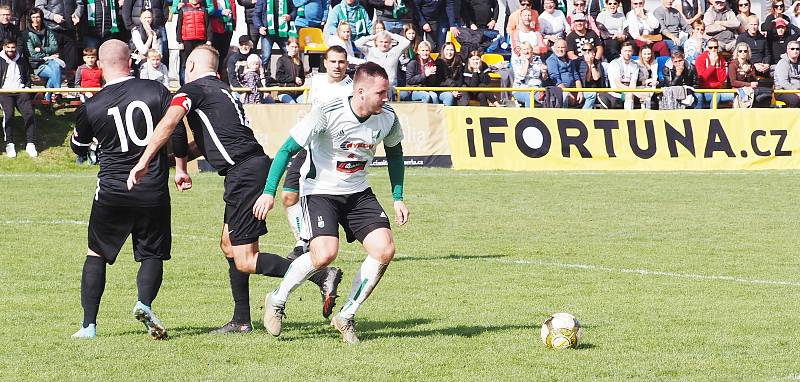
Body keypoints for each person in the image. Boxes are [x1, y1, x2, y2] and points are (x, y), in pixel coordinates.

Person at [128, 45, 343, 334]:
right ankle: (241, 319)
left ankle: (319, 274)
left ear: (190, 65)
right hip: (245, 170)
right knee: (229, 246)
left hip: (245, 174)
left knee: (245, 259)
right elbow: (211, 143)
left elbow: (169, 122)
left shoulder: (193, 90)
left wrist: (144, 160)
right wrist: (171, 162)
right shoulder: (221, 91)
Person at [255, 61, 409, 344]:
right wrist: (268, 191)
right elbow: (286, 149)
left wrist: (398, 197)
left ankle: (347, 315)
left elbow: (396, 154)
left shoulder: (387, 116)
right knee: (325, 255)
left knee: (385, 249)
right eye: (381, 93)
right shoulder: (327, 112)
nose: (386, 98)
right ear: (360, 91)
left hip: (358, 192)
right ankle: (277, 299)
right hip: (319, 192)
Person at [69, 40, 173, 339]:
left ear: (100, 65)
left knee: (96, 253)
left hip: (113, 189)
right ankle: (144, 303)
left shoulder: (92, 105)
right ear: (131, 60)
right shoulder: (156, 91)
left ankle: (89, 325)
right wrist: (179, 168)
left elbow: (78, 146)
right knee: (152, 254)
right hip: (151, 186)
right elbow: (175, 131)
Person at [282, 45, 353, 259]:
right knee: (287, 196)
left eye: (341, 62)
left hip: (331, 152)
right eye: (333, 61)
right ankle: (302, 240)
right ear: (325, 62)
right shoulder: (317, 81)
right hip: (309, 145)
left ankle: (305, 242)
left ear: (347, 64)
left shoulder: (350, 89)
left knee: (324, 197)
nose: (337, 66)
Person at [0, 39, 37, 158]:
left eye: (13, 47)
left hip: (21, 91)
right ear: (4, 47)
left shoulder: (21, 60)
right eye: (8, 47)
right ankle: (9, 143)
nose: (11, 50)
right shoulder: (0, 60)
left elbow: (27, 77)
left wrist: (27, 87)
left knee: (29, 114)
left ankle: (30, 143)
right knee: (9, 114)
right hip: (4, 92)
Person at [354, 29, 410, 97]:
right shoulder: (370, 51)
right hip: (373, 87)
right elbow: (357, 43)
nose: (383, 44)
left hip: (389, 88)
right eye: (381, 42)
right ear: (376, 42)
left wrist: (391, 35)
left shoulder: (395, 51)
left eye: (386, 42)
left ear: (390, 43)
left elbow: (406, 42)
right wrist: (374, 36)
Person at [26, 7, 63, 104]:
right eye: (33, 17)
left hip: (50, 60)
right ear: (30, 19)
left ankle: (54, 94)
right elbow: (33, 53)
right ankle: (53, 94)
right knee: (54, 74)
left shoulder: (48, 31)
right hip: (37, 64)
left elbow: (55, 47)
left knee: (56, 65)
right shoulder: (27, 34)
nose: (36, 20)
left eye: (38, 17)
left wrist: (42, 49)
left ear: (41, 18)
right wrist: (47, 55)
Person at [35, 0, 82, 70]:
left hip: (69, 28)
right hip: (51, 28)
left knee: (71, 60)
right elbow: (39, 8)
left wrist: (77, 14)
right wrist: (53, 16)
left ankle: (70, 79)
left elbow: (79, 4)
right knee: (53, 59)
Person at [120, 0, 169, 66]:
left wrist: (160, 23)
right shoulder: (136, 31)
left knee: (161, 53)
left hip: (157, 26)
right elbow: (126, 9)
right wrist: (130, 25)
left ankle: (161, 73)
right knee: (141, 53)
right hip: (137, 27)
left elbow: (165, 8)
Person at [253, 0, 296, 74]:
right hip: (268, 33)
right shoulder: (263, 1)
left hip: (283, 32)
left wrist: (290, 16)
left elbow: (294, 10)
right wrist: (260, 27)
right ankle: (262, 75)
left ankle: (290, 75)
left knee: (289, 53)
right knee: (266, 56)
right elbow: (256, 15)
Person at [601, 40, 647, 109]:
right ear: (621, 51)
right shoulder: (615, 63)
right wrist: (636, 93)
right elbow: (618, 85)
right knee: (629, 94)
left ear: (632, 52)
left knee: (646, 93)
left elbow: (633, 84)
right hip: (616, 93)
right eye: (625, 51)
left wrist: (637, 93)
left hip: (629, 90)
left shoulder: (635, 65)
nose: (627, 53)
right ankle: (628, 116)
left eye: (629, 51)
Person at [175, 0, 210, 85]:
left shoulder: (203, 10)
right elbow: (179, 26)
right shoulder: (183, 10)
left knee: (199, 63)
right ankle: (183, 84)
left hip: (200, 40)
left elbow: (208, 25)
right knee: (184, 63)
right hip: (186, 40)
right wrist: (179, 41)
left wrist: (209, 40)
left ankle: (199, 83)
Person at [729, 42, 772, 107]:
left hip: (750, 89)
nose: (743, 53)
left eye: (745, 51)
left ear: (748, 53)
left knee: (766, 95)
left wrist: (748, 72)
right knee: (766, 92)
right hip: (738, 89)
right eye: (740, 51)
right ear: (737, 53)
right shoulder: (733, 64)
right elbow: (733, 82)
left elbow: (754, 80)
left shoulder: (750, 65)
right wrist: (748, 84)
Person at [694, 38, 734, 107]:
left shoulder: (721, 59)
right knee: (716, 95)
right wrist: (712, 65)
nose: (713, 49)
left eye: (715, 47)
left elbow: (722, 79)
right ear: (707, 48)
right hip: (705, 90)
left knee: (736, 95)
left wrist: (717, 65)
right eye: (710, 47)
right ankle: (712, 115)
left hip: (718, 90)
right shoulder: (700, 59)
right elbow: (702, 79)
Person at [545, 38, 582, 106]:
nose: (560, 49)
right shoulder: (552, 60)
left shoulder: (570, 60)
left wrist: (580, 91)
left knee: (591, 95)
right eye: (558, 47)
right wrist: (568, 93)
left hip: (573, 89)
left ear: (566, 48)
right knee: (564, 97)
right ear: (554, 48)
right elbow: (556, 79)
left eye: (562, 47)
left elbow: (577, 77)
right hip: (560, 91)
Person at [512, 41, 547, 107]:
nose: (526, 51)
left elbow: (544, 78)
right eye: (524, 49)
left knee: (546, 99)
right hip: (521, 89)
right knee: (529, 97)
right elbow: (521, 77)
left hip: (536, 89)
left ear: (532, 50)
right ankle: (529, 116)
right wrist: (526, 62)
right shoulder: (517, 61)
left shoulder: (537, 59)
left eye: (528, 49)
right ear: (521, 51)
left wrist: (544, 72)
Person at [130, 9, 162, 75]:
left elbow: (156, 51)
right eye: (145, 18)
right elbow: (143, 51)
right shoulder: (136, 32)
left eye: (149, 17)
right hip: (137, 61)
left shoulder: (156, 31)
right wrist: (150, 37)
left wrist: (154, 37)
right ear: (141, 19)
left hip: (152, 60)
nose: (147, 20)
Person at [274, 37, 305, 103]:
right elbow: (279, 77)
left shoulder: (299, 61)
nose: (294, 49)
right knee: (292, 103)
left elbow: (302, 77)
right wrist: (294, 79)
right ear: (287, 47)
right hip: (284, 92)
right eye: (292, 47)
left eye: (296, 47)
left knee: (305, 102)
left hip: (298, 93)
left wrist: (301, 81)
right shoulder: (281, 60)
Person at [574, 42, 602, 109]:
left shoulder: (597, 62)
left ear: (593, 51)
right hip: (583, 88)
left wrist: (591, 64)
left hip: (595, 88)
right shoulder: (578, 62)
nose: (587, 52)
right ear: (582, 52)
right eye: (585, 50)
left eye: (589, 50)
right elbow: (587, 79)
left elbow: (596, 78)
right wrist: (588, 64)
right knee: (592, 94)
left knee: (593, 93)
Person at [774, 40, 800, 107]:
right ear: (787, 50)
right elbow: (783, 83)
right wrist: (796, 92)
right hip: (782, 91)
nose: (795, 51)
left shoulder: (799, 63)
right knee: (795, 100)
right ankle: (793, 117)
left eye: (797, 49)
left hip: (797, 90)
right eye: (792, 49)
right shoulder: (783, 63)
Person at [437, 41, 463, 105]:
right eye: (447, 50)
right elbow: (439, 82)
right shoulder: (439, 62)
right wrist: (451, 91)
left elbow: (460, 79)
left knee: (464, 97)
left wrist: (456, 90)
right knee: (449, 96)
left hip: (456, 89)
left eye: (451, 50)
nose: (449, 52)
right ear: (443, 51)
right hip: (442, 90)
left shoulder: (458, 62)